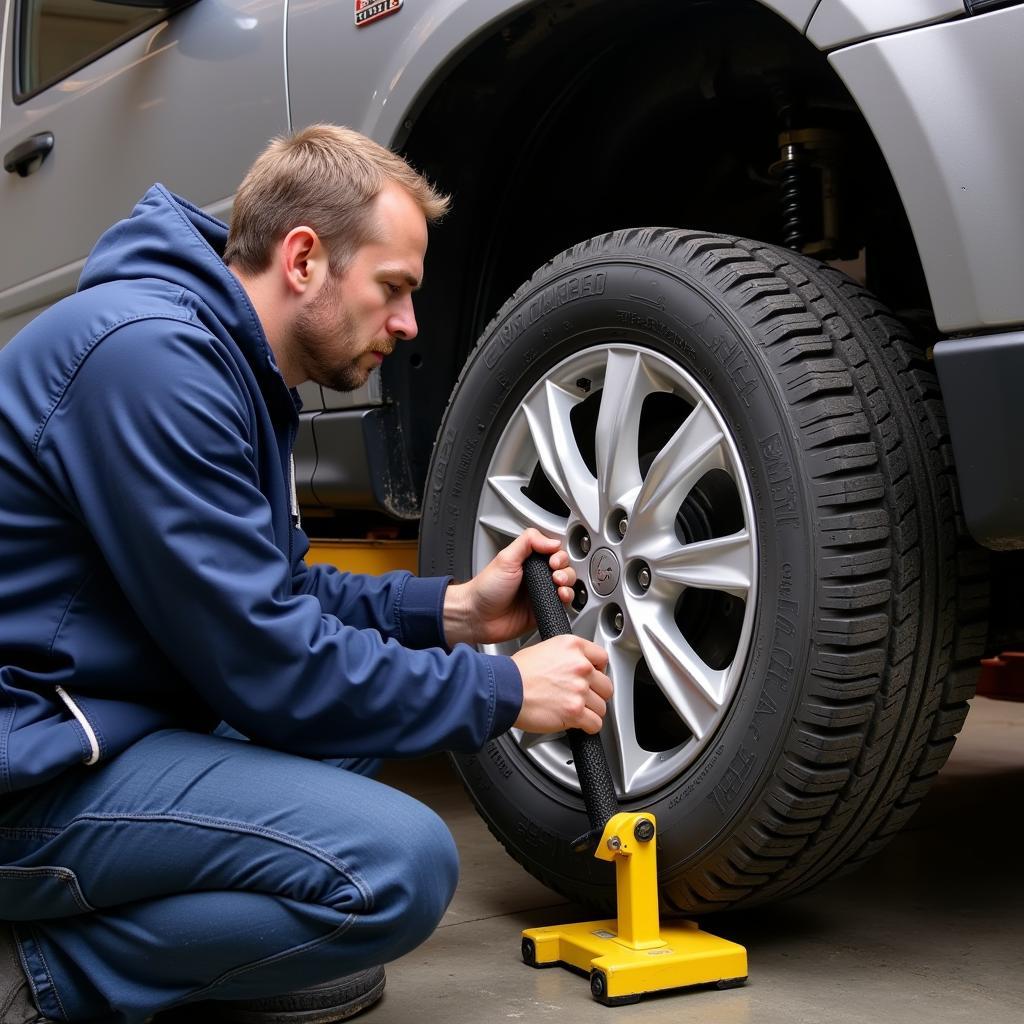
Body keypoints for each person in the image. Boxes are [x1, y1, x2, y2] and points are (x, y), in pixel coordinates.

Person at [0, 125, 612, 1024]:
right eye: (393, 289)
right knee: (399, 863)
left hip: (97, 724)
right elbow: (270, 660)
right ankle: (45, 971)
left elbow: (278, 593)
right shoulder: (151, 360)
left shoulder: (229, 362)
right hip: (28, 772)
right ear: (302, 260)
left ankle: (182, 946)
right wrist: (501, 688)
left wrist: (452, 613)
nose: (407, 327)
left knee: (348, 733)